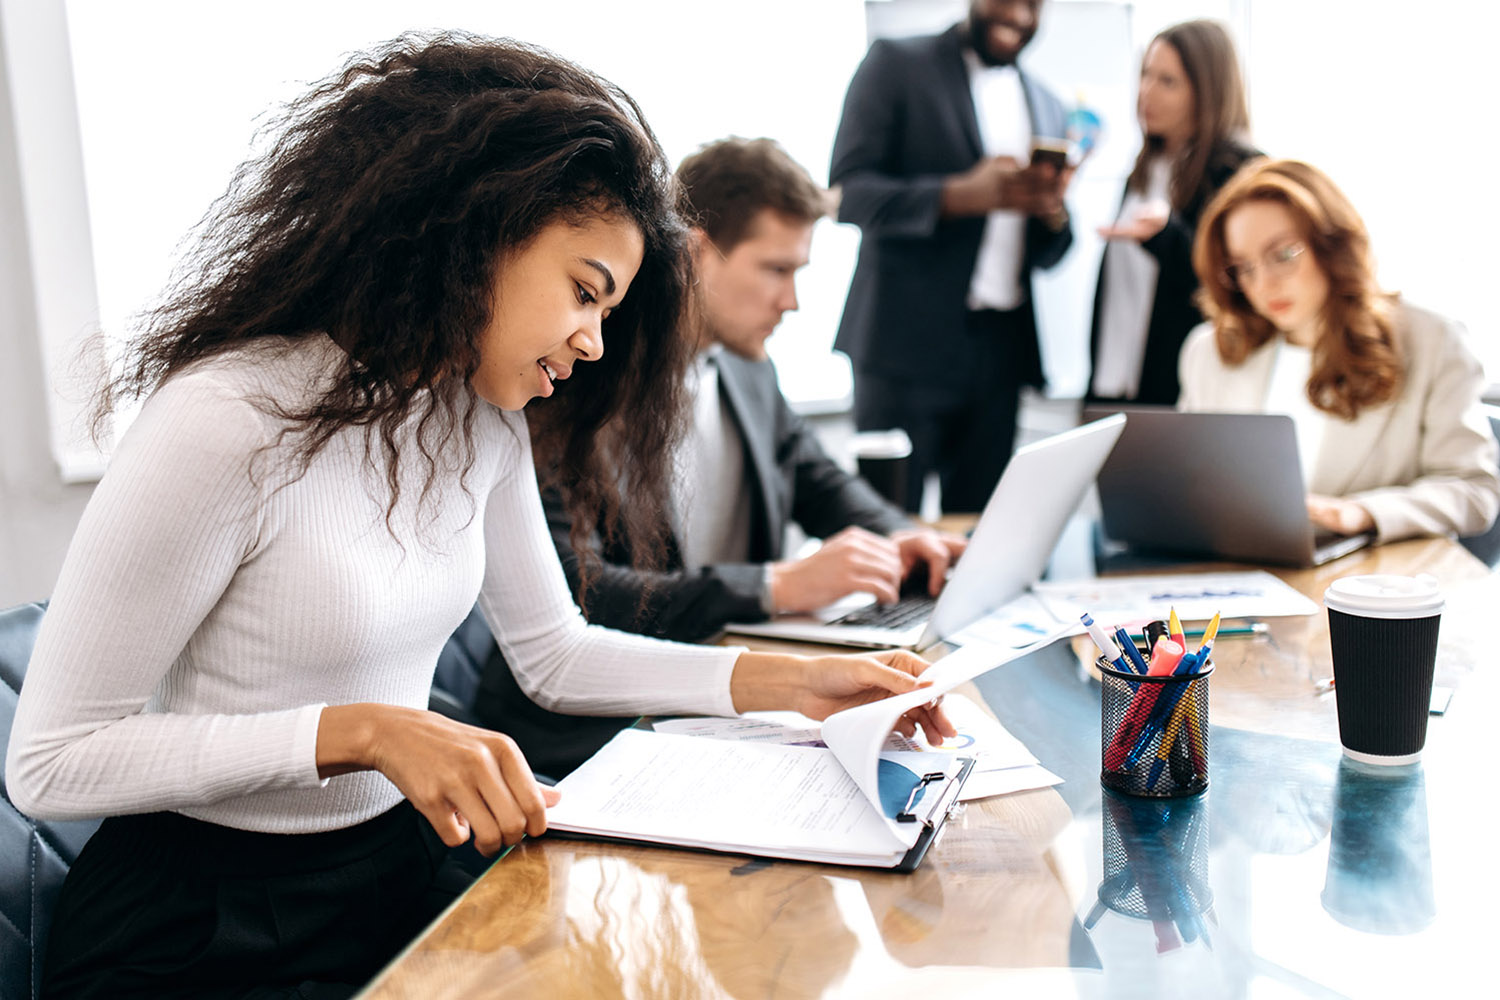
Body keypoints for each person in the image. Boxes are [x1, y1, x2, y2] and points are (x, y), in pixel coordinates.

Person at [5, 35, 953, 998]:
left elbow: (555, 655)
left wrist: (788, 681)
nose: (591, 341)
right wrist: (363, 732)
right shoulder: (226, 419)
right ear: (472, 232)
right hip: (201, 927)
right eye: (584, 292)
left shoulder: (479, 417)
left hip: (393, 869)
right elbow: (50, 765)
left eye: (610, 311)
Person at [472, 137, 967, 778]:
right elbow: (580, 593)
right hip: (578, 746)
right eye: (776, 269)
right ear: (696, 252)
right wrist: (774, 586)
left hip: (715, 699)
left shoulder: (749, 369)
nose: (791, 301)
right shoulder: (567, 375)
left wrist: (904, 537)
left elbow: (815, 475)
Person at [829, 0, 1074, 514]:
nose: (1020, 14)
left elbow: (1050, 253)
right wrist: (961, 195)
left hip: (1001, 353)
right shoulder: (895, 64)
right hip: (902, 347)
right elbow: (848, 194)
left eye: (1034, 4)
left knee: (983, 532)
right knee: (890, 528)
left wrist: (1052, 212)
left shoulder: (1050, 105)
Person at [1181, 158, 1500, 542]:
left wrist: (1365, 512)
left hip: (1375, 579)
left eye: (1283, 255)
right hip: (1246, 573)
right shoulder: (1209, 351)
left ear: (1331, 243)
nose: (1264, 283)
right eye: (1244, 267)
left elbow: (1475, 490)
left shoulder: (1433, 341)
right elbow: (1191, 484)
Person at [1088, 19, 1261, 405]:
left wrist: (1167, 236)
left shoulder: (1239, 173)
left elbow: (1237, 285)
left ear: (1208, 91)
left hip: (1184, 392)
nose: (1146, 92)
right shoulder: (1146, 168)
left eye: (1167, 81)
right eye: (1146, 75)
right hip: (1116, 384)